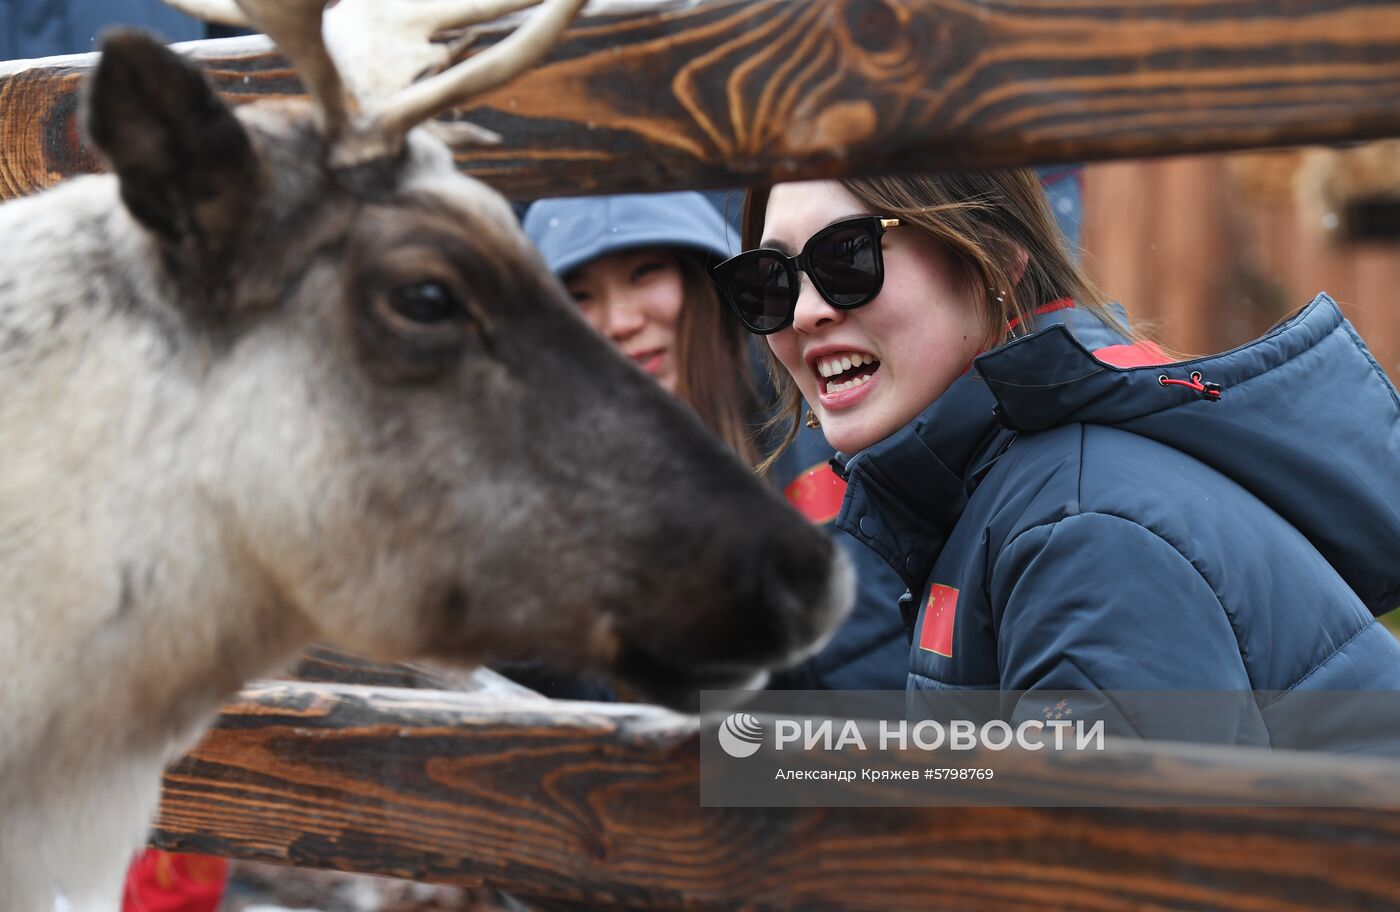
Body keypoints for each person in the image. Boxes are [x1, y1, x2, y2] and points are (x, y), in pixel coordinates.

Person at [710, 171, 1400, 748]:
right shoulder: (1009, 494)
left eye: (847, 260)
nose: (804, 313)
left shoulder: (1077, 533)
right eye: (770, 283)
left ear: (996, 261)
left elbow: (1108, 871)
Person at [523, 191, 911, 692]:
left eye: (645, 272)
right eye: (579, 296)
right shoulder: (534, 482)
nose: (620, 321)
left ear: (708, 277)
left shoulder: (825, 407)